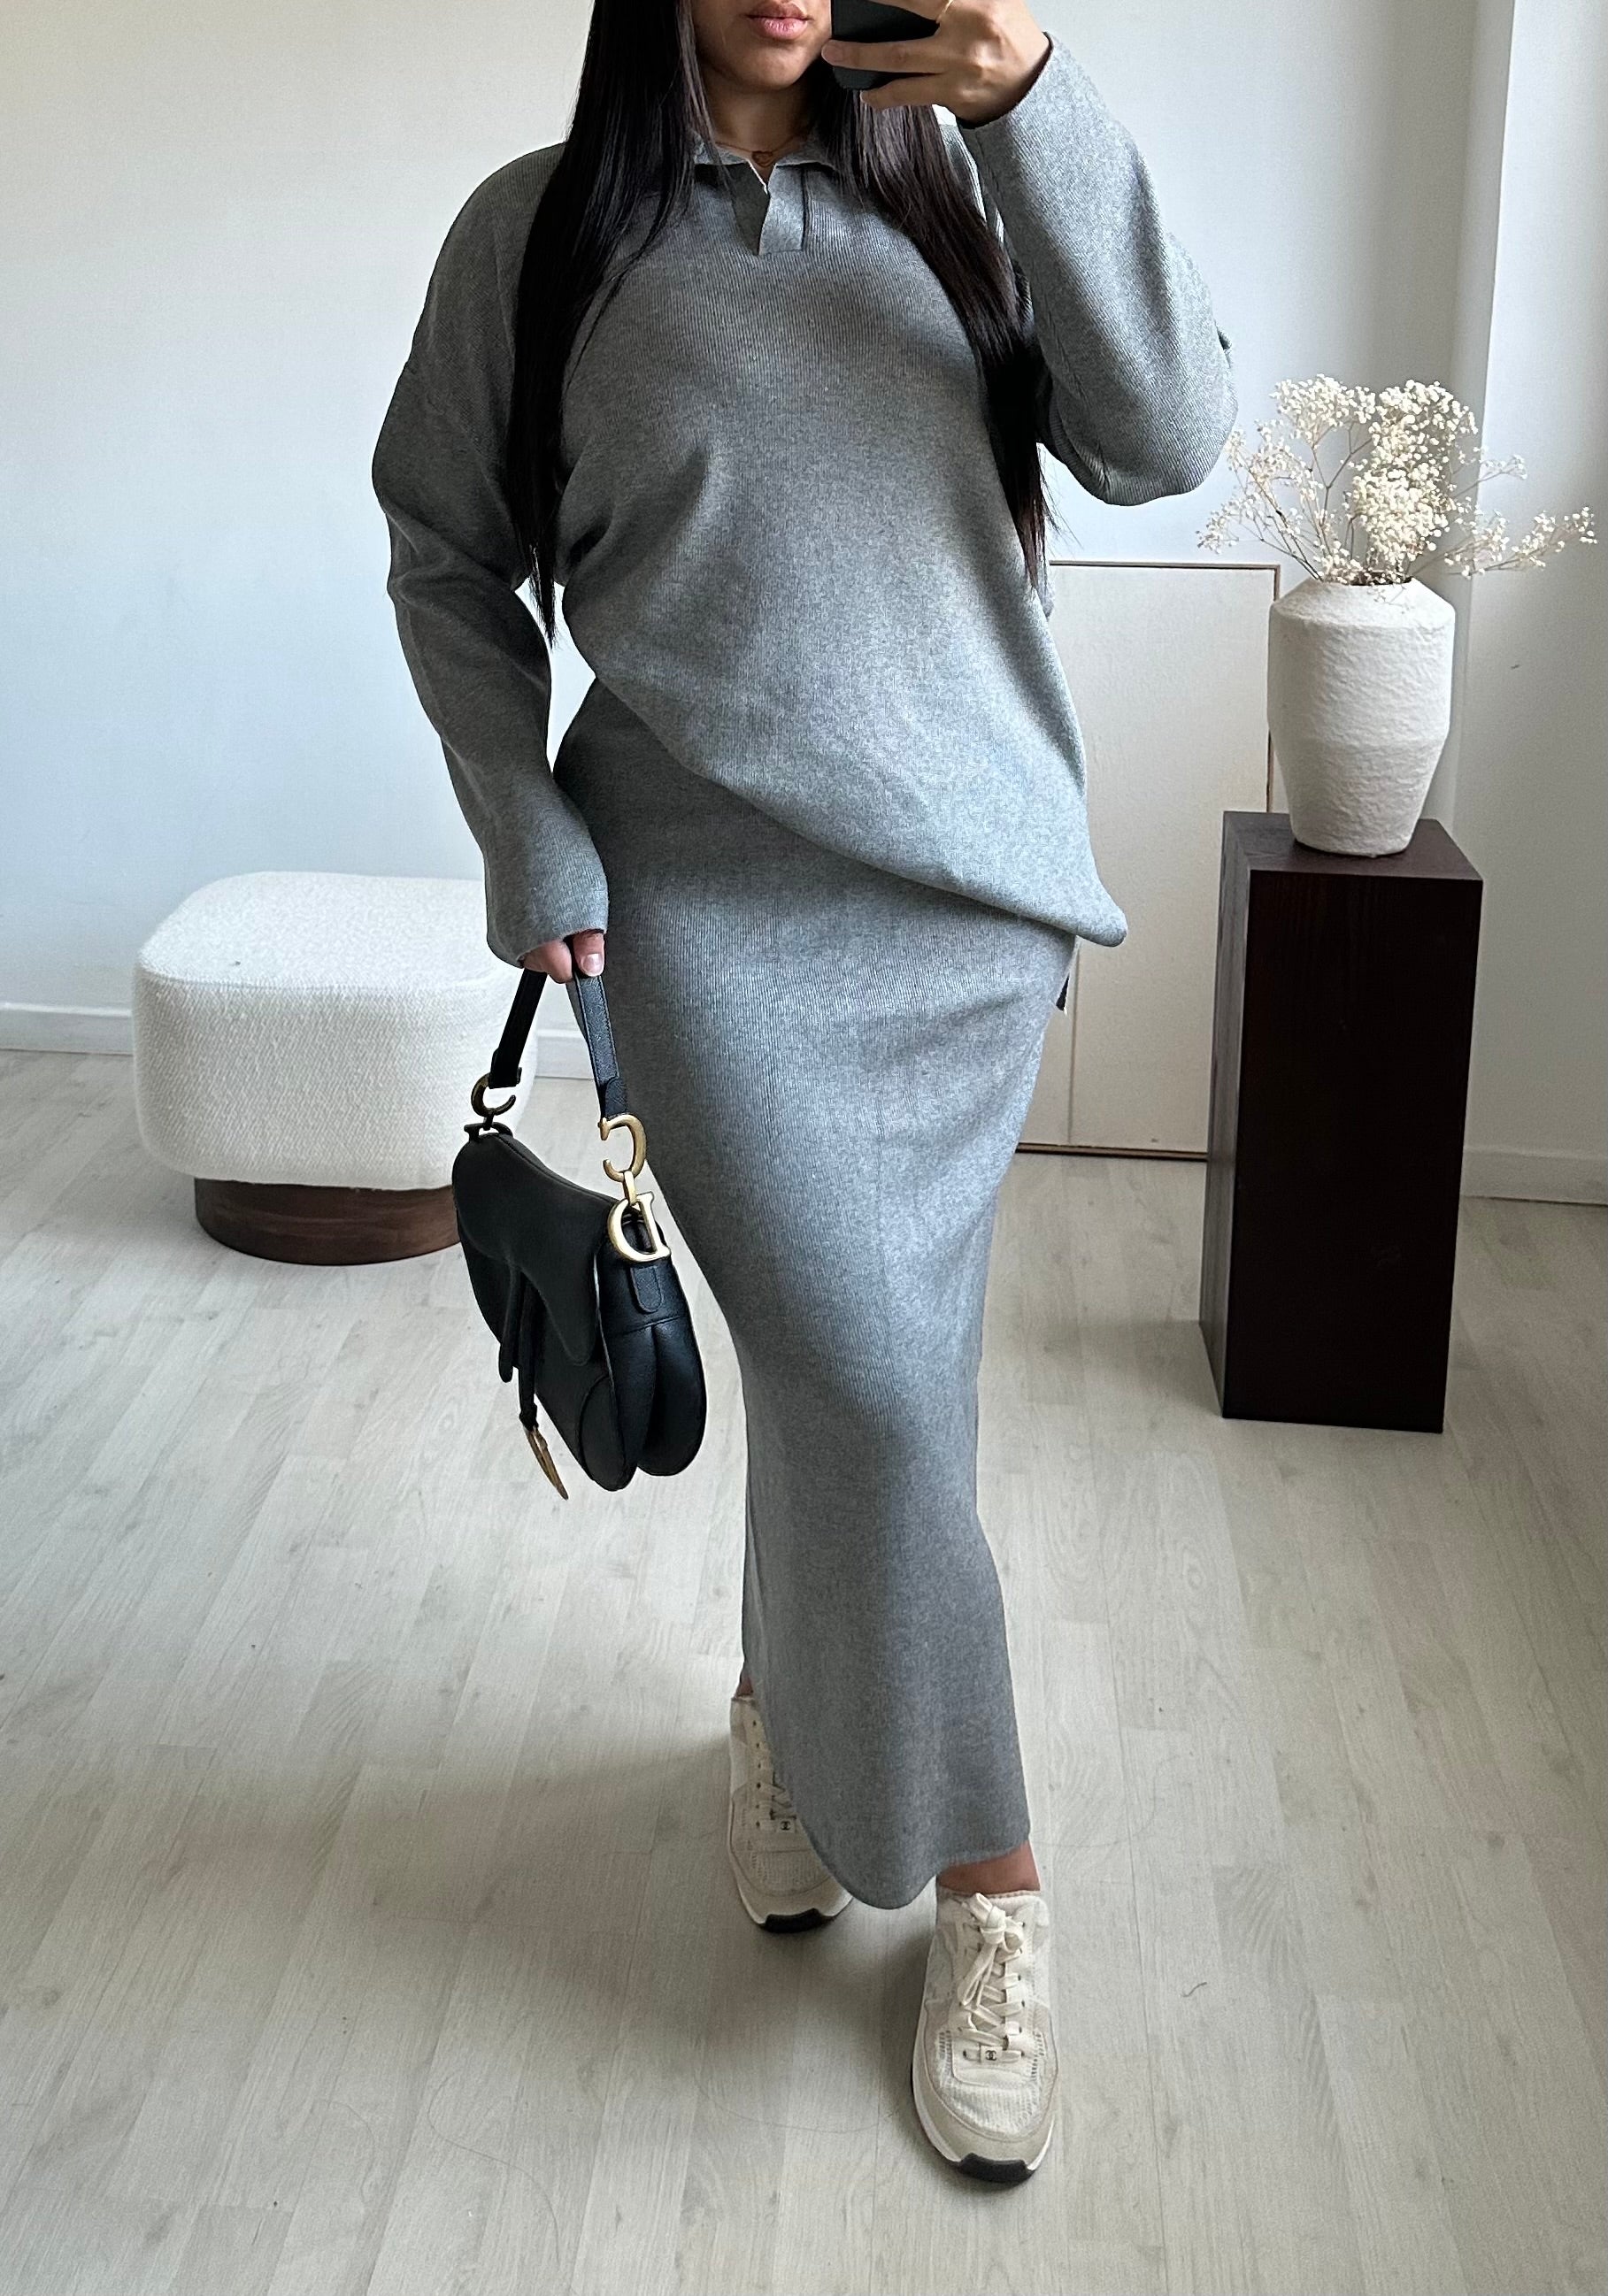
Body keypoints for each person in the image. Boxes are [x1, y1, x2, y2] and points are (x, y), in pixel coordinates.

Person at [372, 0, 1235, 2183]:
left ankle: (785, 1719)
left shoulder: (976, 204)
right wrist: (525, 834)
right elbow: (443, 549)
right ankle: (996, 1880)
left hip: (964, 909)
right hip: (701, 914)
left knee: (871, 1387)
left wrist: (1031, 102)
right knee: (866, 1382)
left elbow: (1169, 439)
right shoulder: (537, 238)